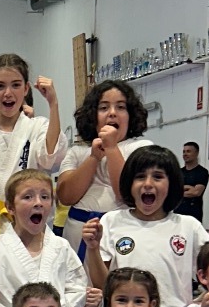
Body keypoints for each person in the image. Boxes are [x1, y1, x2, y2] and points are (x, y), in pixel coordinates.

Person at [79, 145, 206, 307]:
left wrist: (201, 304)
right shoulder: (112, 221)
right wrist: (93, 248)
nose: (148, 183)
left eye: (158, 177)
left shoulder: (188, 226)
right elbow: (103, 286)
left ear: (172, 184)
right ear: (129, 184)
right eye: (140, 177)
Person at [0, 169, 98, 307]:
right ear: (10, 207)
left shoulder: (61, 247)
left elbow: (76, 290)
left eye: (45, 197)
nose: (38, 203)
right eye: (28, 197)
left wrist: (84, 301)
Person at [0, 55, 65, 238]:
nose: (8, 93)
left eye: (16, 85)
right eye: (0, 86)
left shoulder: (38, 127)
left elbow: (50, 159)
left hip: (28, 221)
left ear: (26, 89)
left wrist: (53, 103)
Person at [56, 80, 148, 255]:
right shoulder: (77, 152)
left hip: (122, 233)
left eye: (121, 107)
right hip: (78, 233)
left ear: (130, 115)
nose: (112, 113)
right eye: (104, 108)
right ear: (93, 115)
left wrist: (111, 148)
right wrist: (94, 158)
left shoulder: (141, 148)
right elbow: (66, 197)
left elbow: (128, 195)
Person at [177, 141, 209, 222]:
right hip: (177, 213)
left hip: (193, 214)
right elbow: (172, 190)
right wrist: (187, 188)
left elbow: (195, 192)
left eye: (188, 151)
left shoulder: (202, 172)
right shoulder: (178, 172)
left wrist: (178, 190)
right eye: (184, 152)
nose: (185, 154)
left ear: (196, 153)